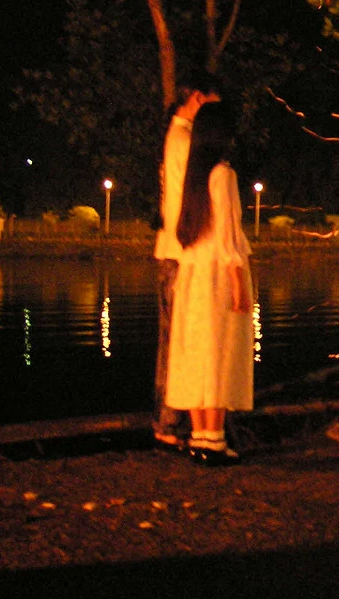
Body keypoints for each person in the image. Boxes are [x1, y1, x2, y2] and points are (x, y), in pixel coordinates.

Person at [165, 101, 254, 466]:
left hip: (191, 275)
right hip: (217, 274)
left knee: (197, 352)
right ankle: (214, 440)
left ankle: (201, 436)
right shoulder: (223, 175)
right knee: (220, 350)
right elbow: (227, 235)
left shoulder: (193, 177)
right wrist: (238, 281)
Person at [152, 72, 222, 452]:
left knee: (176, 339)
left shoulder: (175, 137)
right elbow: (185, 199)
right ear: (197, 98)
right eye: (212, 103)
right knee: (178, 341)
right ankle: (169, 421)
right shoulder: (183, 139)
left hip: (174, 248)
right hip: (180, 252)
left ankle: (173, 419)